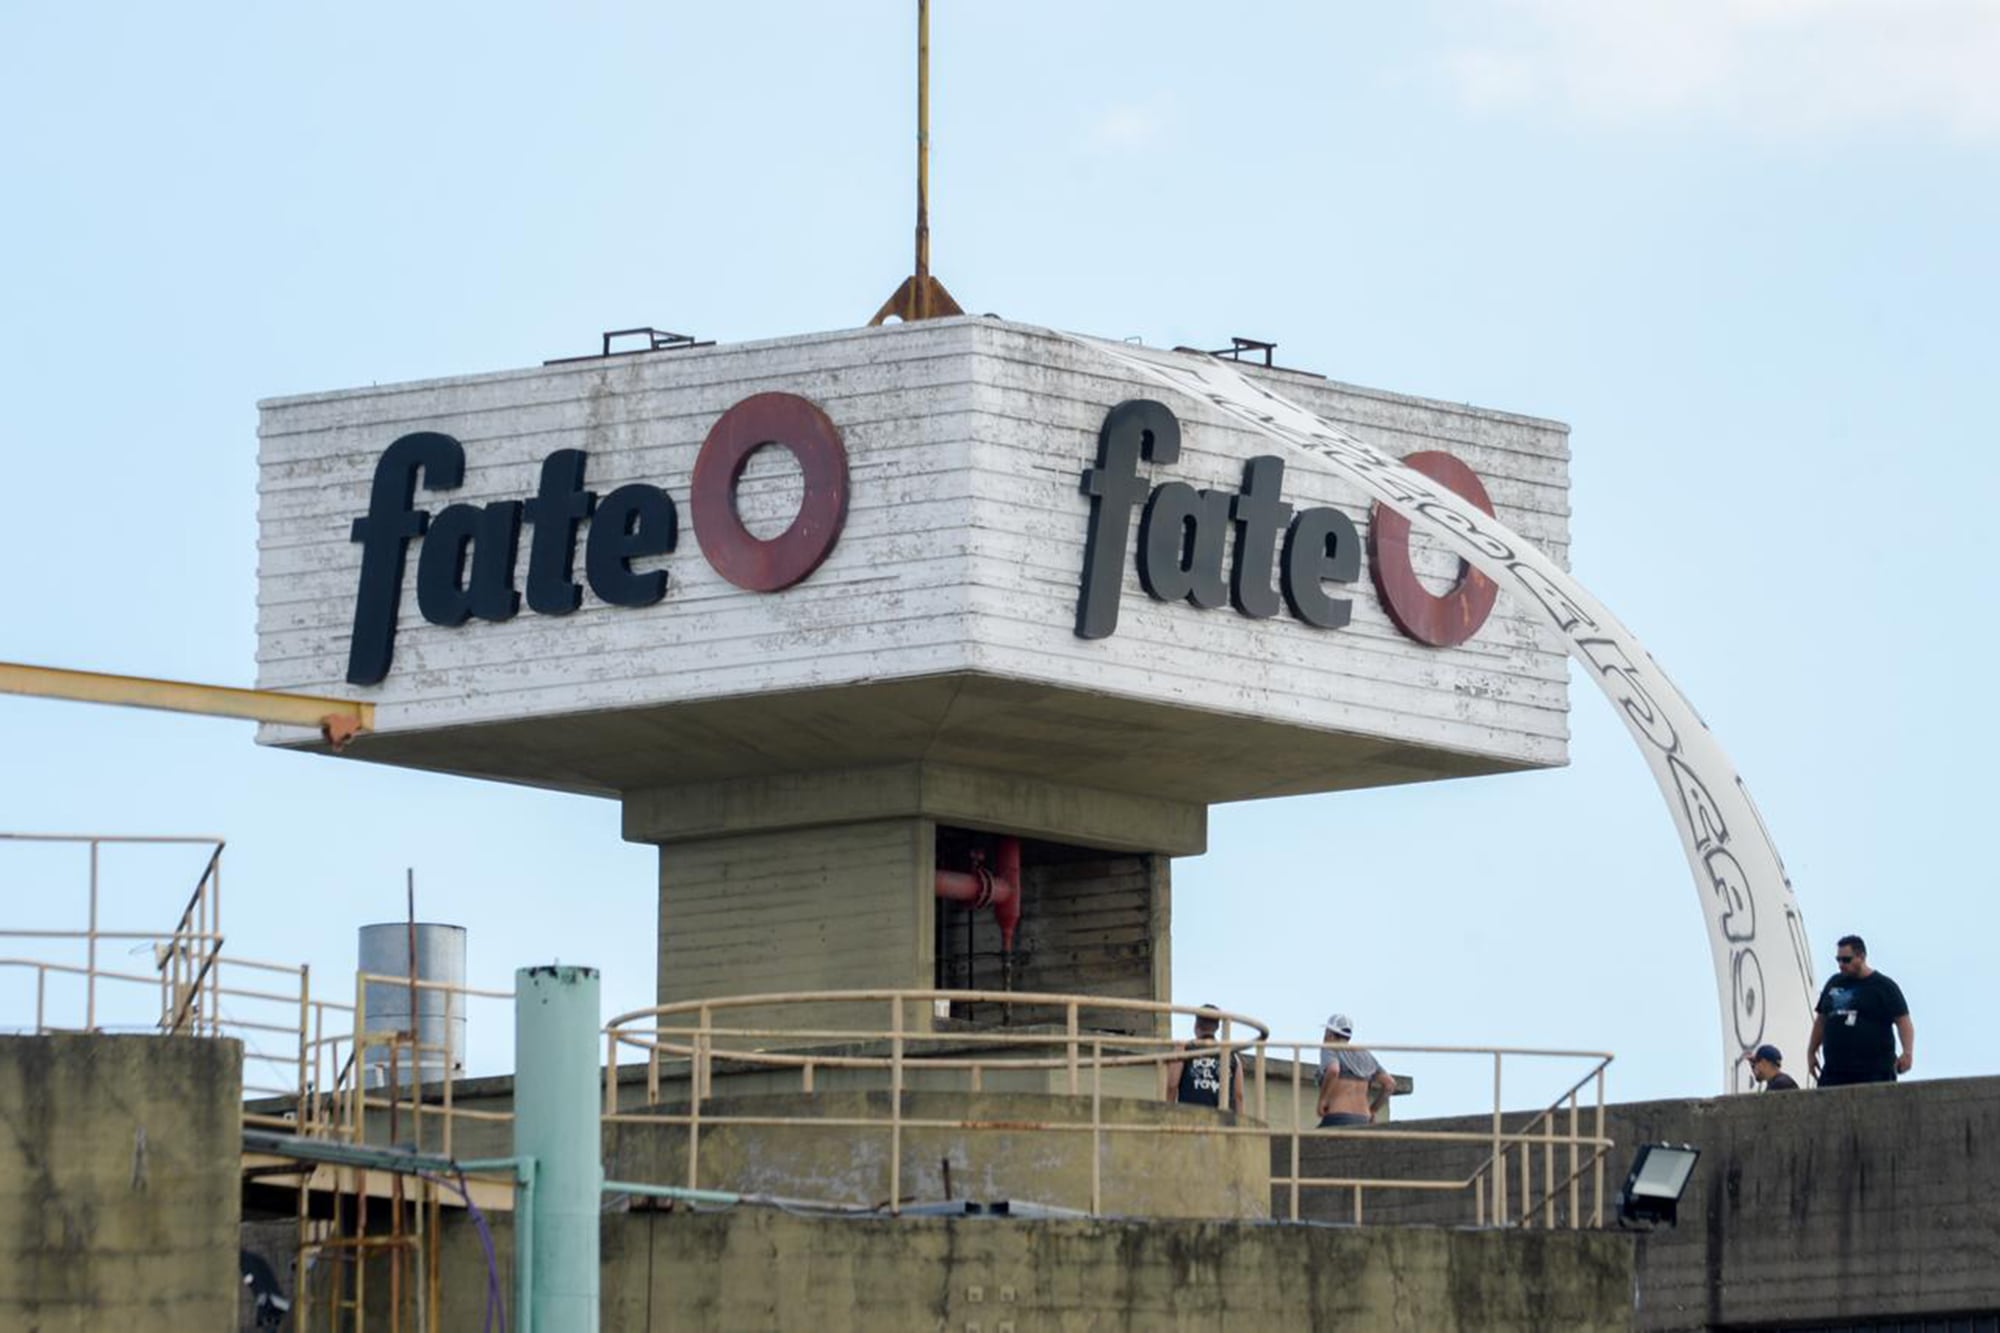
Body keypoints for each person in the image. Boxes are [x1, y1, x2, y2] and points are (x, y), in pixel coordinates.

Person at [1808, 934, 1913, 1087]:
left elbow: (1903, 1021)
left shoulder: (1883, 986)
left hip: (1874, 1071)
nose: (1841, 964)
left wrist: (1907, 1052)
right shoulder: (1834, 983)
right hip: (1835, 1071)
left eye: (1846, 959)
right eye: (1838, 960)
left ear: (1861, 957)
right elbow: (1821, 1020)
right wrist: (1811, 1051)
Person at [1317, 1012, 1394, 1128]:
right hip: (1364, 1119)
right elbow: (1390, 1084)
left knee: (1305, 1143)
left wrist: (1323, 1100)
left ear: (1330, 1033)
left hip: (1338, 1116)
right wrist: (1373, 1110)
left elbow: (1333, 1070)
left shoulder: (1330, 1047)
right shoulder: (1365, 1054)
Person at [1165, 1004, 1244, 1112]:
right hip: (1223, 1122)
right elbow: (1239, 1096)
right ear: (1217, 1027)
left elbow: (1171, 1086)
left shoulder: (1184, 1049)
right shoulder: (1232, 1055)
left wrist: (1167, 1115)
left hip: (1191, 1119)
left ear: (1196, 1024)